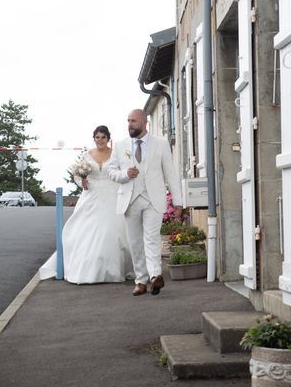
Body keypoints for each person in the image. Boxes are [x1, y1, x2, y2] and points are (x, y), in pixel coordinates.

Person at [39, 125, 133, 283]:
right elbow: (77, 175)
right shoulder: (87, 155)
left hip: (112, 194)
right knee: (84, 231)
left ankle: (113, 270)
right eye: (97, 137)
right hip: (91, 194)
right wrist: (81, 182)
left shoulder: (116, 153)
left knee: (112, 231)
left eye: (103, 137)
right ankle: (87, 269)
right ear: (94, 139)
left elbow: (123, 171)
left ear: (108, 139)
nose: (100, 140)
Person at [108, 109, 183, 296]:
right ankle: (140, 280)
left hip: (153, 199)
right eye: (128, 121)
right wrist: (125, 174)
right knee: (135, 242)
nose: (129, 125)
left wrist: (178, 201)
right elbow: (110, 171)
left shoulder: (161, 144)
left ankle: (155, 277)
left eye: (133, 121)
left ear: (144, 122)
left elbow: (171, 174)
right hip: (130, 199)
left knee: (152, 238)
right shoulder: (120, 145)